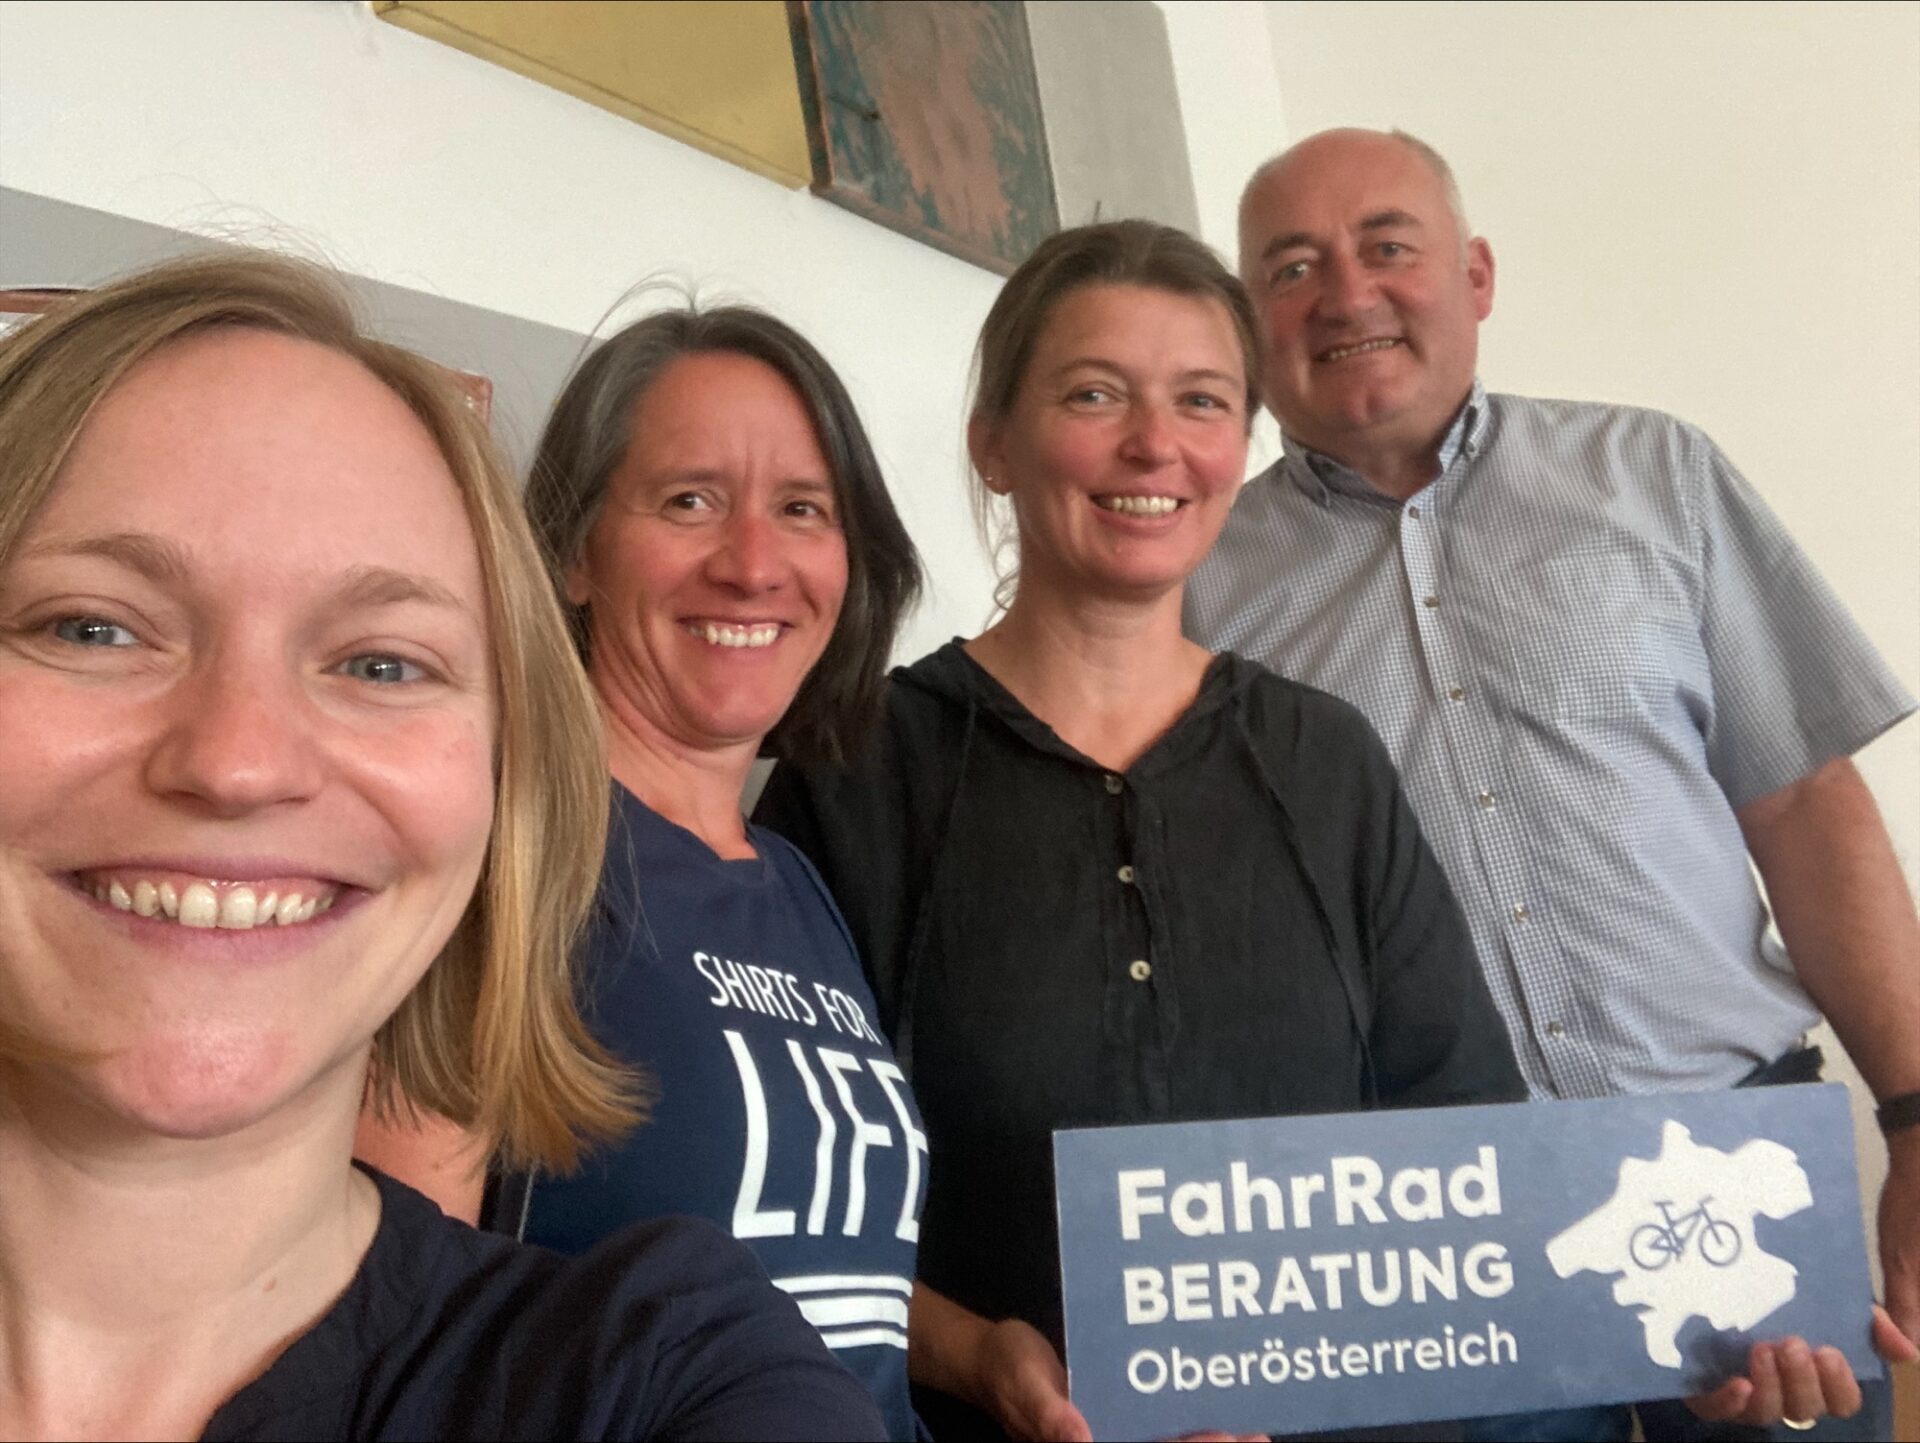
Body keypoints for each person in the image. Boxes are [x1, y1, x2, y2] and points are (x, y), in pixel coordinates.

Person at [0, 252, 886, 1441]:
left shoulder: (796, 880)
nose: (240, 761)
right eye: (94, 627)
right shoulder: (568, 879)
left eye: (379, 663)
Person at [1185, 126, 1920, 1439]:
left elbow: (1806, 807)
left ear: (1474, 275)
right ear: (1249, 326)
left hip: (1733, 1158)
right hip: (1432, 1221)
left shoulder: (1658, 478)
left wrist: (1918, 1111)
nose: (1346, 293)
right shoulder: (1198, 586)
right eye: (1292, 266)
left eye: (1387, 246)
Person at [754, 219, 1528, 1443]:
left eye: (1203, 401)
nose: (1154, 444)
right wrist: (976, 1359)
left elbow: (1469, 1135)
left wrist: (1687, 1316)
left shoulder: (1326, 762)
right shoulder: (858, 765)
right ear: (993, 443)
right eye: (1094, 392)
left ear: (1240, 447)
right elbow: (780, 1202)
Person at [371, 301, 929, 1437]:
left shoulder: (792, 881)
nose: (754, 563)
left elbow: (833, 1285)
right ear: (574, 553)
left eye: (803, 510)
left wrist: (995, 1365)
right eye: (691, 502)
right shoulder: (502, 851)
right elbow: (390, 1334)